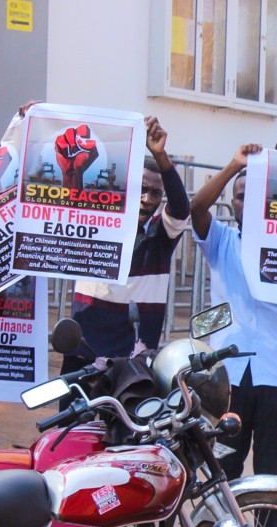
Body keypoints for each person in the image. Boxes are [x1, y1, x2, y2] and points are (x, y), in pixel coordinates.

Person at [188, 143, 277, 485]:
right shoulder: (222, 240)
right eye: (240, 196)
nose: (246, 202)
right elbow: (196, 208)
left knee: (270, 471)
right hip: (230, 375)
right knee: (223, 467)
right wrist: (234, 165)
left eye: (254, 195)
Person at [61, 116, 189, 369]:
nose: (146, 199)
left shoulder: (160, 235)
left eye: (155, 193)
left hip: (133, 363)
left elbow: (181, 207)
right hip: (84, 352)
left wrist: (160, 156)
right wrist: (28, 124)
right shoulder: (93, 223)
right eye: (140, 188)